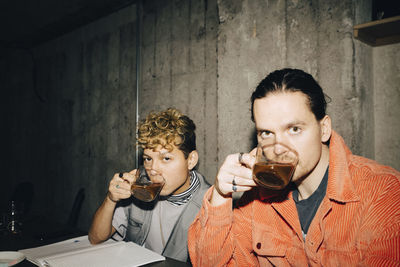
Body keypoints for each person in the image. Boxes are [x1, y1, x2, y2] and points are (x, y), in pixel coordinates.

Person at [188, 68, 400, 266]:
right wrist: (219, 195)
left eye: (294, 129)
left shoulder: (384, 191)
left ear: (324, 129)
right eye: (267, 133)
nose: (278, 149)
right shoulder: (258, 198)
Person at [89, 108, 210, 262]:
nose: (153, 169)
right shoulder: (139, 186)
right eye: (147, 159)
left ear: (191, 160)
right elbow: (95, 238)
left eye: (166, 158)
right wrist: (111, 199)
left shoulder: (211, 203)